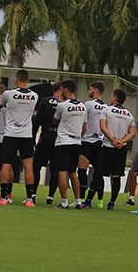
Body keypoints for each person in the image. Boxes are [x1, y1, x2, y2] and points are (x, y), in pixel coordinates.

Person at [84, 89, 135, 210]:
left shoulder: (107, 110)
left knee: (98, 174)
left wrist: (113, 140)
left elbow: (102, 127)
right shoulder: (129, 114)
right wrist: (121, 141)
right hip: (121, 149)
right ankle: (111, 203)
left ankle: (88, 200)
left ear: (114, 98)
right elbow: (132, 133)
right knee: (116, 176)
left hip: (107, 146)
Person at [0, 70, 39, 207]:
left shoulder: (9, 94)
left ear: (16, 79)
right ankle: (30, 199)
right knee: (28, 166)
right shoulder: (34, 96)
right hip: (26, 134)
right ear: (29, 79)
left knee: (6, 165)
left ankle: (3, 197)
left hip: (11, 134)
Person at [52, 80, 87, 209]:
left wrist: (60, 102)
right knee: (73, 172)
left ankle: (64, 202)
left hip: (63, 142)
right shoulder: (83, 106)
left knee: (62, 172)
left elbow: (55, 120)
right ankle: (78, 201)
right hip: (77, 142)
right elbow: (84, 127)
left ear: (66, 91)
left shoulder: (62, 105)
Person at [79, 81, 107, 207]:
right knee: (98, 173)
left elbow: (83, 121)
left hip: (87, 141)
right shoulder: (106, 107)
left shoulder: (88, 104)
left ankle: (81, 198)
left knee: (81, 170)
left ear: (95, 90)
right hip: (100, 142)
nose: (89, 91)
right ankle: (100, 201)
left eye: (90, 89)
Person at [32, 82, 61, 205]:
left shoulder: (44, 101)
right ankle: (50, 197)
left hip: (45, 137)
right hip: (58, 139)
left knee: (37, 166)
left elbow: (38, 120)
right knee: (54, 170)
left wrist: (33, 136)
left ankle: (33, 194)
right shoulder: (64, 104)